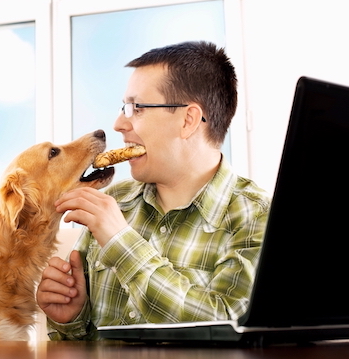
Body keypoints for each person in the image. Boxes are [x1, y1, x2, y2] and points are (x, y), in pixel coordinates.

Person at [36, 41, 270, 340]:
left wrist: (121, 242)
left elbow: (233, 332)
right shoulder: (112, 202)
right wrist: (71, 320)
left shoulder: (257, 218)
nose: (119, 124)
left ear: (188, 120)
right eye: (124, 107)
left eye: (137, 108)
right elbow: (76, 340)